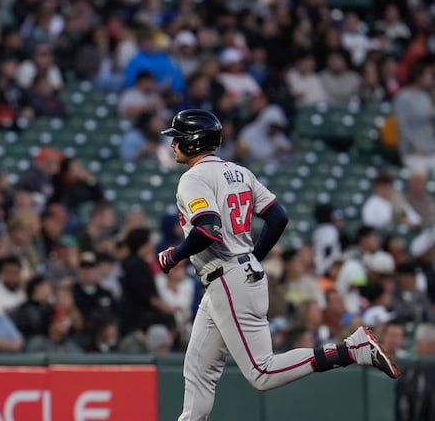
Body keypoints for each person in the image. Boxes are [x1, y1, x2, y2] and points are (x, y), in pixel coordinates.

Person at [155, 109, 398, 421]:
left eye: (178, 137)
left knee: (261, 372)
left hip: (227, 276)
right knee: (198, 369)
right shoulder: (240, 172)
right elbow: (278, 217)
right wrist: (255, 255)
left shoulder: (193, 178)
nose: (173, 143)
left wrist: (174, 255)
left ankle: (352, 349)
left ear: (193, 142)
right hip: (234, 276)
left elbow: (207, 228)